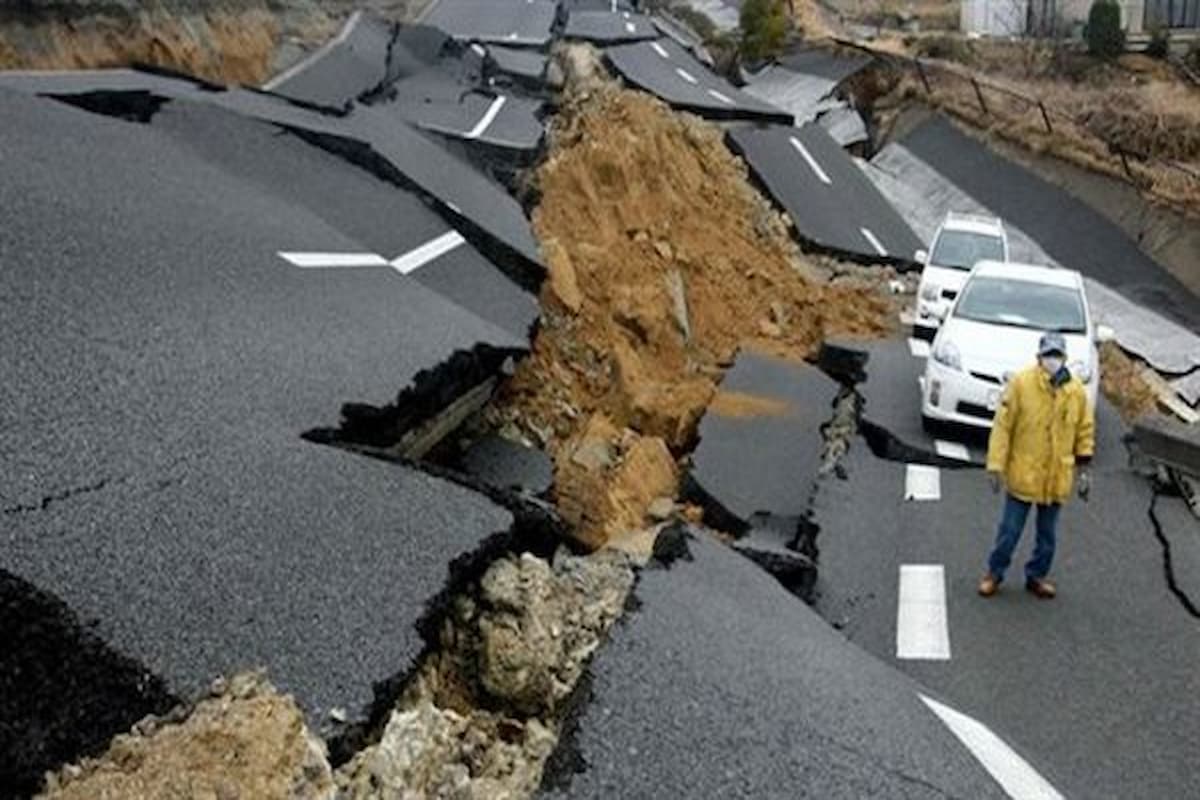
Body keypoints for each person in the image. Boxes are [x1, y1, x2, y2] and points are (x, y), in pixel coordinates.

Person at [978, 332, 1095, 600]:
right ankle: (994, 573)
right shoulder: (1022, 384)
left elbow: (1084, 430)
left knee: (1047, 536)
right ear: (1038, 357)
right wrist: (995, 464)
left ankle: (1037, 576)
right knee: (1009, 531)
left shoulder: (1076, 392)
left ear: (1064, 358)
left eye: (1057, 355)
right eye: (1048, 355)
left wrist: (1084, 468)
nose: (1052, 360)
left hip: (1056, 476)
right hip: (1024, 472)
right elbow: (1003, 426)